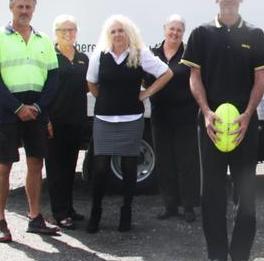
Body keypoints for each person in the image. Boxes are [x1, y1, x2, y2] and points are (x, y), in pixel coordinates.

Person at [181, 0, 264, 261]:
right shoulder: (200, 33)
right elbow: (194, 77)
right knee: (212, 194)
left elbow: (260, 81)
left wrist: (248, 114)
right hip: (211, 126)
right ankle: (217, 257)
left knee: (246, 195)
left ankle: (242, 257)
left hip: (244, 126)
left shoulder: (256, 34)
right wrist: (206, 112)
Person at [0, 0, 60, 242]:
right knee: (3, 166)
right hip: (8, 110)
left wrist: (38, 108)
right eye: (20, 7)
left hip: (36, 109)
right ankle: (0, 222)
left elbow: (53, 80)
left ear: (34, 9)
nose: (24, 11)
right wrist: (17, 107)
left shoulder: (44, 41)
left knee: (36, 165)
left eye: (28, 7)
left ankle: (35, 218)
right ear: (11, 8)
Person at [85, 15, 173, 233]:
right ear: (108, 34)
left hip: (131, 119)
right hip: (104, 119)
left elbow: (166, 73)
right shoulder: (101, 55)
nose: (117, 35)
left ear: (129, 33)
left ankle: (126, 213)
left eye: (121, 31)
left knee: (129, 167)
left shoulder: (139, 53)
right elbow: (91, 82)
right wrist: (105, 100)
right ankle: (95, 213)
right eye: (113, 31)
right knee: (101, 167)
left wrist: (146, 93)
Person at [145, 14, 200, 223]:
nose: (175, 33)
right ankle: (169, 205)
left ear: (183, 33)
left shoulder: (189, 54)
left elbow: (197, 80)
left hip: (185, 116)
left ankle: (188, 206)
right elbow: (146, 80)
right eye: (172, 29)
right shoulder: (153, 54)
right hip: (161, 116)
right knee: (165, 162)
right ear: (164, 29)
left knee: (187, 163)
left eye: (179, 30)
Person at [45, 15, 89, 230]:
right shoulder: (49, 57)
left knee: (70, 168)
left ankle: (69, 208)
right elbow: (43, 91)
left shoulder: (83, 58)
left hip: (76, 121)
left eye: (72, 30)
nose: (69, 34)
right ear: (56, 33)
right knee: (56, 169)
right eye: (64, 30)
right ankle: (59, 213)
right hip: (55, 121)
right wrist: (46, 119)